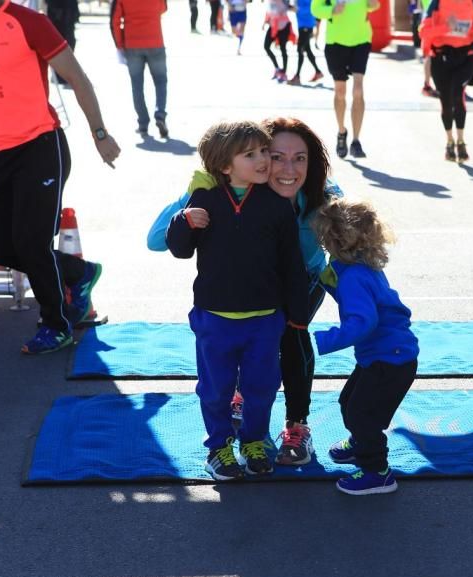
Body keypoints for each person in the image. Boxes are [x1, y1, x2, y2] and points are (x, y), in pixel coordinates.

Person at [0, 0, 120, 355]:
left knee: (32, 242)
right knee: (1, 245)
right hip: (0, 153)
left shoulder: (28, 22)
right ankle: (78, 273)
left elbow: (76, 76)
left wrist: (100, 134)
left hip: (41, 146)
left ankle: (57, 324)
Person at [148, 118, 341, 467]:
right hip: (222, 306)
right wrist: (189, 204)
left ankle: (293, 426)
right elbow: (160, 241)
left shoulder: (319, 197)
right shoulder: (214, 193)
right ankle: (223, 438)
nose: (282, 166)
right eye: (273, 154)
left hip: (290, 290)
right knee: (220, 380)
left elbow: (347, 248)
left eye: (300, 158)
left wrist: (356, 301)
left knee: (287, 350)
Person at [312, 199, 418, 495]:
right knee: (350, 401)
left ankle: (377, 472)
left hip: (389, 360)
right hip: (388, 355)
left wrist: (324, 340)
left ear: (334, 241)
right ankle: (360, 442)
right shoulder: (359, 266)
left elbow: (362, 322)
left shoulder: (354, 277)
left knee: (363, 414)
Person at [420, 0, 473, 162]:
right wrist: (446, 28)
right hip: (441, 58)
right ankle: (450, 141)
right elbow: (423, 32)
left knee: (457, 92)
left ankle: (461, 141)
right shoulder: (437, 3)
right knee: (446, 99)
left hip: (465, 57)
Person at [311, 0, 380, 159]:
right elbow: (316, 9)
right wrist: (333, 10)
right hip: (336, 42)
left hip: (361, 40)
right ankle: (342, 132)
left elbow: (375, 5)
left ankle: (356, 141)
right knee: (340, 92)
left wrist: (372, 4)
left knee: (358, 90)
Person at [110, 0, 169, 138]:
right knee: (161, 82)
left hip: (132, 43)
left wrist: (119, 45)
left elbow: (115, 20)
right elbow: (163, 8)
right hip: (155, 41)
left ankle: (143, 122)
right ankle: (160, 114)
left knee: (137, 86)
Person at [44, 0, 79, 85]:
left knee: (69, 42)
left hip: (68, 13)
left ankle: (66, 73)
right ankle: (59, 75)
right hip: (57, 15)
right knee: (58, 45)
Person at [290, 0, 324, 84]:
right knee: (307, 50)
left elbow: (312, 9)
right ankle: (318, 72)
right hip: (302, 24)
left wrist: (297, 9)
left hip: (307, 25)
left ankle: (297, 76)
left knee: (300, 49)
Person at [264, 0, 293, 82]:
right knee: (266, 46)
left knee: (283, 49)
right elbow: (269, 9)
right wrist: (265, 20)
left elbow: (289, 6)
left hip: (283, 26)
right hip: (273, 25)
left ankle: (284, 72)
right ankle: (277, 68)